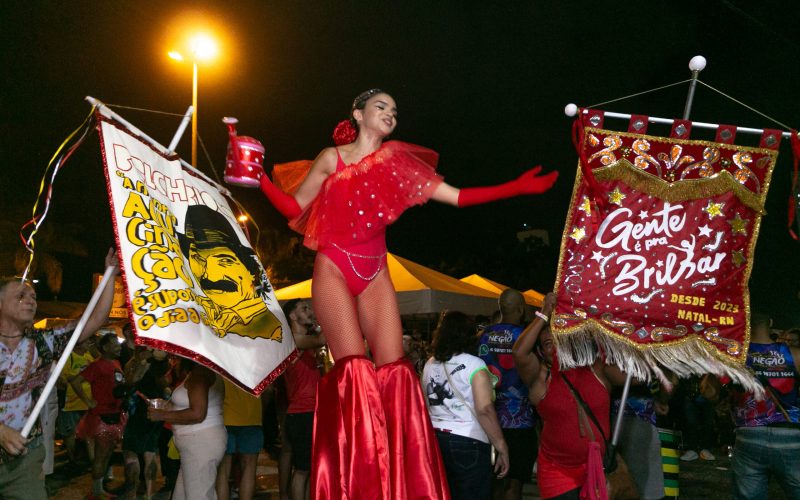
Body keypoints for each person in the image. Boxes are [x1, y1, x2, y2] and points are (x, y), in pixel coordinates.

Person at [253, 88, 557, 499]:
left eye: (395, 110)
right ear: (358, 114)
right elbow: (294, 209)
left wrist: (513, 189)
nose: (391, 114)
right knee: (356, 370)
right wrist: (256, 178)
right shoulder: (332, 157)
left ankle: (400, 482)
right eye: (381, 107)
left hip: (376, 269)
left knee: (395, 371)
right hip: (334, 267)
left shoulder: (395, 159)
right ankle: (356, 484)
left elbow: (457, 196)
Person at [0, 249, 118, 500]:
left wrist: (110, 275)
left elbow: (96, 318)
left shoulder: (45, 343)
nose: (31, 300)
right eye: (21, 296)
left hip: (24, 459)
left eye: (33, 296)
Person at [512, 292, 627, 499]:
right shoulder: (540, 378)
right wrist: (545, 313)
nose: (554, 346)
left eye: (558, 339)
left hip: (596, 467)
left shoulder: (596, 368)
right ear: (541, 352)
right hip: (558, 472)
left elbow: (630, 376)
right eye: (547, 344)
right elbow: (519, 353)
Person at [422, 311, 510, 500]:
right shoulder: (474, 365)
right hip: (468, 441)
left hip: (435, 439)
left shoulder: (430, 364)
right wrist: (501, 445)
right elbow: (484, 409)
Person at [177, 204, 283, 341]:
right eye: (197, 259)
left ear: (250, 270)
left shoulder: (272, 330)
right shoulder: (195, 318)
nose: (209, 275)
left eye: (224, 261)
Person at [728, 312, 800, 499]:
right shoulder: (795, 353)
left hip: (749, 434)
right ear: (770, 322)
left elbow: (710, 394)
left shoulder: (735, 355)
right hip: (790, 434)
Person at [478, 288, 537, 500]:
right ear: (521, 310)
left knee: (493, 481)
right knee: (514, 483)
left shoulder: (482, 336)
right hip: (521, 422)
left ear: (500, 308)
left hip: (488, 420)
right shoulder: (526, 338)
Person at [147, 359, 226, 500]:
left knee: (198, 496)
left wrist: (162, 415)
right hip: (196, 444)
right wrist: (167, 407)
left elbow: (197, 413)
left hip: (200, 443)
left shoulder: (201, 373)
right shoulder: (199, 372)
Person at [71, 332, 128, 499]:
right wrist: (88, 402)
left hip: (114, 415)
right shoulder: (97, 365)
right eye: (114, 344)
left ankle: (99, 489)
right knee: (101, 456)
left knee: (107, 455)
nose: (118, 347)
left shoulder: (116, 362)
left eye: (118, 343)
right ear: (104, 347)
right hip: (101, 417)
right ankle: (96, 492)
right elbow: (75, 381)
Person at [281, 299, 326, 500]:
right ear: (292, 316)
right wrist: (324, 319)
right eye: (304, 308)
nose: (310, 311)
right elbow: (323, 339)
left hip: (311, 412)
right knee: (302, 470)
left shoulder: (305, 341)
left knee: (310, 469)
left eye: (309, 307)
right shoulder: (294, 341)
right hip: (301, 414)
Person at [119, 343, 170, 499]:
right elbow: (165, 385)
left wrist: (140, 362)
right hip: (157, 411)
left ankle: (132, 495)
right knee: (150, 453)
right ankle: (148, 494)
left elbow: (130, 380)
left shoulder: (143, 361)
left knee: (131, 454)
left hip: (140, 411)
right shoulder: (164, 362)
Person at [215, 378, 264, 500]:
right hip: (252, 416)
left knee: (223, 471)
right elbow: (267, 390)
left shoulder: (223, 360)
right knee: (249, 467)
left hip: (225, 417)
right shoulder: (255, 361)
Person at [56, 336, 97, 465]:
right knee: (70, 432)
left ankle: (87, 458)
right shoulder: (69, 357)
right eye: (87, 341)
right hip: (71, 402)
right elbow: (64, 377)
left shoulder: (89, 356)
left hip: (87, 401)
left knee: (87, 431)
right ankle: (72, 458)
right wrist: (82, 377)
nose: (89, 344)